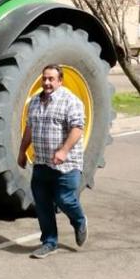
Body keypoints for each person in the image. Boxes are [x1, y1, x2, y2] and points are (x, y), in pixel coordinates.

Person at [17, 64, 88, 259]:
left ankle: (79, 220)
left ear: (60, 81)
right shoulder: (34, 102)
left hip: (66, 164)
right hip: (41, 162)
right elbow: (29, 128)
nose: (47, 82)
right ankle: (49, 242)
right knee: (42, 203)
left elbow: (77, 128)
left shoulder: (71, 101)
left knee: (64, 199)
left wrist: (64, 151)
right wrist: (22, 151)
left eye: (51, 79)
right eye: (44, 78)